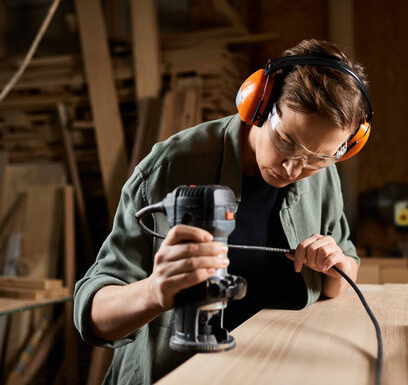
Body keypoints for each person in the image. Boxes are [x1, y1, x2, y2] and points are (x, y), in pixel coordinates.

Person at [74, 39, 370, 384]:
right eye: (286, 141)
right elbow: (92, 316)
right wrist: (154, 291)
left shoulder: (323, 174)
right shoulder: (171, 167)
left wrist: (336, 266)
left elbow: (343, 273)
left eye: (318, 158)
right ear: (258, 106)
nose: (294, 167)